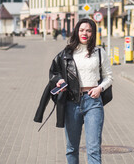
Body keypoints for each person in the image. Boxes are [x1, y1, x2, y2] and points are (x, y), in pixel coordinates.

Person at [34, 18, 113, 164]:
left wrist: (99, 88)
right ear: (76, 32)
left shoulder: (100, 52)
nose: (85, 33)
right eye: (82, 30)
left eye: (89, 30)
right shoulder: (66, 53)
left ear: (93, 33)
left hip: (93, 102)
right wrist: (58, 80)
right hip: (71, 103)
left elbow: (109, 77)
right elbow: (54, 72)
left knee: (93, 149)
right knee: (71, 148)